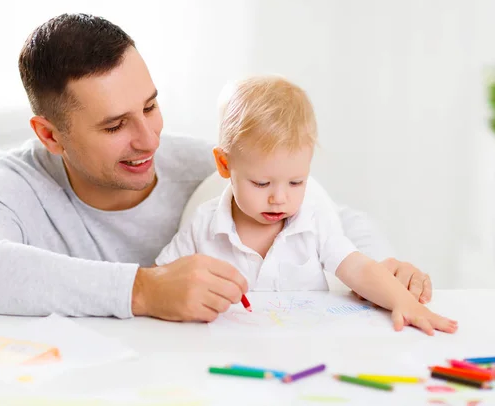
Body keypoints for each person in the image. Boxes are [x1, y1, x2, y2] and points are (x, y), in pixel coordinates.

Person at [0, 13, 432, 323]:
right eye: (114, 126)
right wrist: (144, 291)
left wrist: (387, 267)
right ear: (49, 135)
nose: (150, 140)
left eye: (150, 106)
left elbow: (333, 221)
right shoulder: (12, 184)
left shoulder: (207, 166)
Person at [156, 75, 457, 335]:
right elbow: (159, 279)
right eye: (261, 184)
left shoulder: (312, 218)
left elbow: (358, 268)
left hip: (306, 348)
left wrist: (403, 303)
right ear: (224, 164)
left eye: (297, 182)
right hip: (226, 350)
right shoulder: (203, 224)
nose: (280, 198)